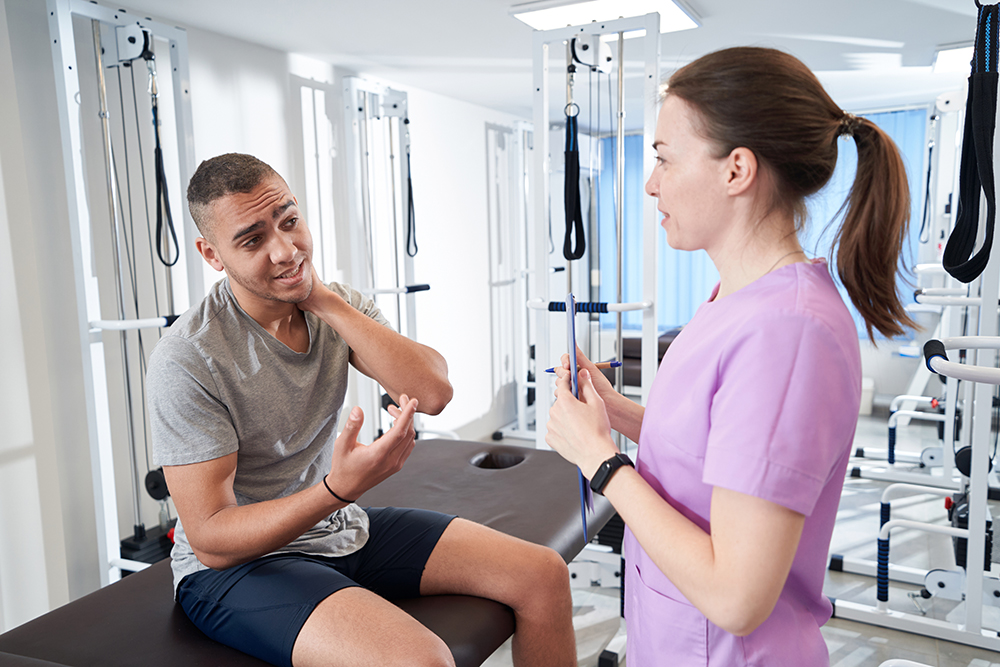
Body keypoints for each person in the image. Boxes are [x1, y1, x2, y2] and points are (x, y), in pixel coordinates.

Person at [545, 47, 915, 665]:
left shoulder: (789, 332)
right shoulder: (736, 297)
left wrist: (601, 460)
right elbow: (717, 448)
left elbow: (737, 596)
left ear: (736, 170)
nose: (650, 181)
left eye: (664, 158)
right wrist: (617, 413)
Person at [147, 153, 576, 667]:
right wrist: (338, 489)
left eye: (289, 221)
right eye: (253, 239)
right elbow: (213, 539)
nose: (285, 250)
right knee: (423, 661)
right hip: (236, 570)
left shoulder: (337, 305)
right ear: (212, 254)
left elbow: (434, 392)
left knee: (543, 574)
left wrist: (322, 300)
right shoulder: (190, 357)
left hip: (337, 528)